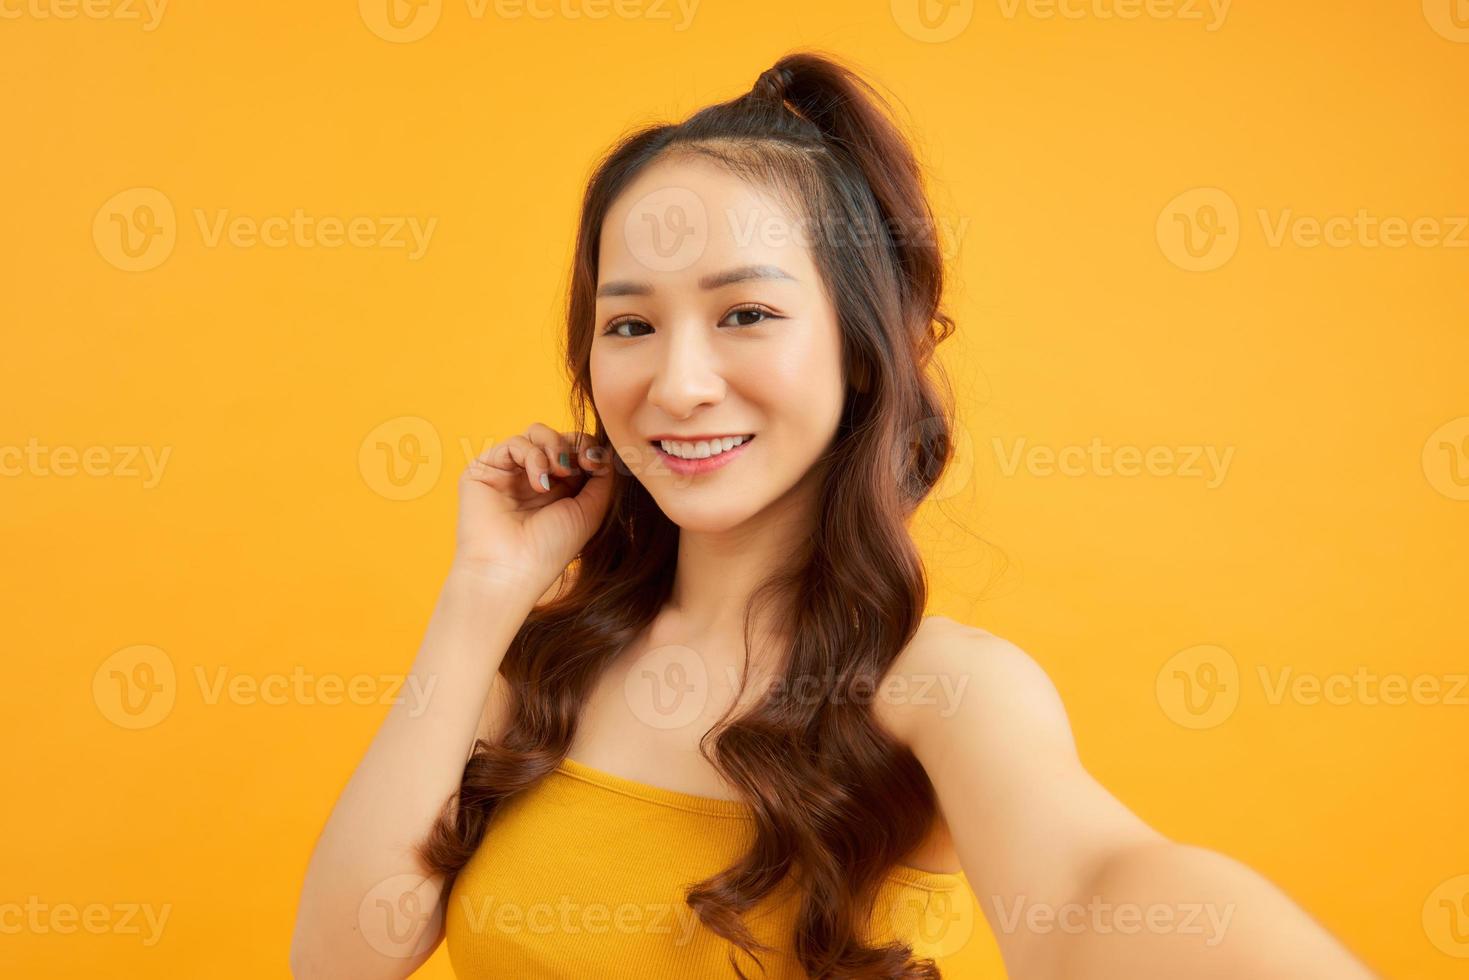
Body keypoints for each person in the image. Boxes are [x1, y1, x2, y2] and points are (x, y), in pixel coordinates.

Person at [291, 50, 1375, 979]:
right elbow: (341, 958)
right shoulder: (539, 662)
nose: (676, 383)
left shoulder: (936, 687)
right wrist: (479, 596)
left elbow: (1099, 886)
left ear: (860, 350)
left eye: (746, 312)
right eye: (628, 326)